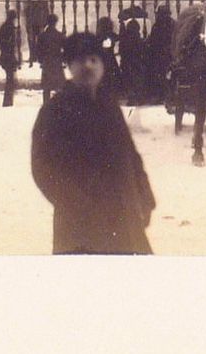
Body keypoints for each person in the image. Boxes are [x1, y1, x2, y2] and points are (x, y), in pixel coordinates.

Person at [30, 31, 156, 255]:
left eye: (94, 60)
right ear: (69, 66)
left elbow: (131, 156)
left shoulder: (109, 106)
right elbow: (43, 168)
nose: (88, 66)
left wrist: (144, 196)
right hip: (79, 229)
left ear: (102, 66)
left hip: (124, 221)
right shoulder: (55, 109)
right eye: (80, 60)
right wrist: (77, 205)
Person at [144, 5, 176, 105]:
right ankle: (161, 95)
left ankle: (164, 95)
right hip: (161, 55)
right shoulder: (159, 25)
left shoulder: (168, 25)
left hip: (167, 55)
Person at [36, 14, 66, 102]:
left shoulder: (42, 36)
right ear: (55, 23)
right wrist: (62, 59)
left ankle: (46, 104)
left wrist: (41, 60)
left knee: (46, 88)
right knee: (59, 86)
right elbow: (66, 48)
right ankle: (59, 104)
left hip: (47, 62)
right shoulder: (59, 35)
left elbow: (38, 50)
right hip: (57, 62)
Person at [21, 0, 48, 64]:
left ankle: (32, 56)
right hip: (40, 20)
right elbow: (46, 7)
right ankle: (40, 56)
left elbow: (25, 7)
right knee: (40, 39)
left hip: (31, 19)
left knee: (31, 39)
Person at [0, 9, 21, 107]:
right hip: (9, 57)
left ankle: (8, 101)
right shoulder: (10, 28)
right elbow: (11, 45)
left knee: (10, 80)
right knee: (10, 80)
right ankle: (8, 102)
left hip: (5, 56)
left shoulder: (4, 27)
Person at [118, 16, 144, 105]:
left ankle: (132, 97)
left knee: (129, 80)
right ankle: (137, 97)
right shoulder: (138, 38)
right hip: (136, 63)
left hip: (127, 63)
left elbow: (121, 50)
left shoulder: (125, 38)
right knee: (136, 79)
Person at [95, 16, 122, 98]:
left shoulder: (98, 37)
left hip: (102, 60)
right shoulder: (111, 35)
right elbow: (118, 38)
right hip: (111, 59)